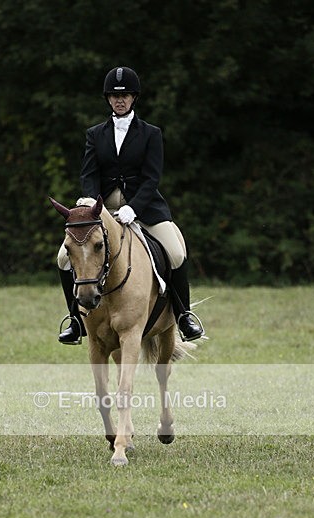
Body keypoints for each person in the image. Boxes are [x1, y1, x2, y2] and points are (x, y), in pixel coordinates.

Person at [57, 66, 204, 345]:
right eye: (113, 96)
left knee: (174, 252)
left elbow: (152, 178)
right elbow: (89, 175)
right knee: (63, 259)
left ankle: (184, 316)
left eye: (124, 96)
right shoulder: (95, 134)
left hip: (145, 207)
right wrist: (91, 204)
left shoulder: (151, 133)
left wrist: (133, 207)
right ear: (108, 99)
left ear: (134, 98)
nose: (119, 100)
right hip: (102, 209)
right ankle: (76, 321)